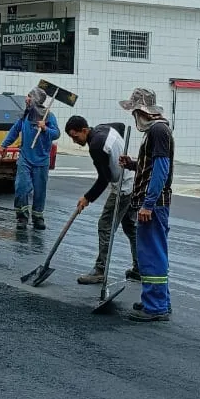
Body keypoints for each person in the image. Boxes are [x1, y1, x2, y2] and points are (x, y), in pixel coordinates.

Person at [119, 87, 174, 323]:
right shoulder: (155, 131)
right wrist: (132, 164)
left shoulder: (158, 131)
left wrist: (147, 205)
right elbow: (150, 166)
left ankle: (156, 306)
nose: (133, 116)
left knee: (151, 255)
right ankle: (158, 301)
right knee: (152, 253)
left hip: (153, 205)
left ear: (142, 111)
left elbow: (161, 171)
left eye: (134, 111)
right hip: (151, 203)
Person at [64, 115, 139, 284]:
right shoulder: (103, 128)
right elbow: (120, 125)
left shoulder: (96, 146)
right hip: (132, 180)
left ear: (84, 130)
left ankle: (100, 270)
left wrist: (87, 198)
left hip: (123, 188)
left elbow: (103, 179)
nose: (74, 141)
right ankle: (140, 267)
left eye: (75, 137)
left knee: (105, 225)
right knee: (130, 226)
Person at [1, 86, 60, 230]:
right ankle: (21, 217)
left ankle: (38, 217)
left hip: (41, 161)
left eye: (29, 96)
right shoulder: (26, 115)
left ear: (35, 99)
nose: (26, 99)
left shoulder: (48, 116)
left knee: (40, 191)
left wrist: (45, 128)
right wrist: (4, 145)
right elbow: (15, 130)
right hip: (25, 159)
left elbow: (56, 134)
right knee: (21, 187)